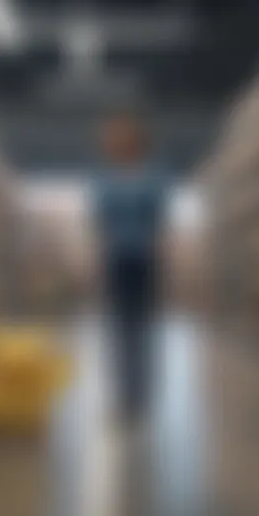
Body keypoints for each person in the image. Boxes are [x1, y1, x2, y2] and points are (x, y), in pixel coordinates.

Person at [93, 112, 166, 424]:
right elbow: (100, 223)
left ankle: (141, 396)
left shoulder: (153, 177)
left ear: (136, 142)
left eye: (120, 137)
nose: (114, 143)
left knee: (142, 331)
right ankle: (123, 397)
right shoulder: (105, 181)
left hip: (144, 261)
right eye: (111, 139)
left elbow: (157, 220)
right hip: (116, 262)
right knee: (119, 331)